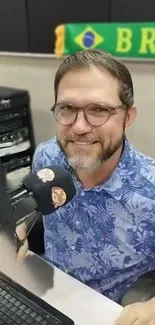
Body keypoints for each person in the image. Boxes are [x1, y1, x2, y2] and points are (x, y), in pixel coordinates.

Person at [16, 49, 155, 325]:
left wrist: (152, 306)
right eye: (67, 109)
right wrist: (17, 228)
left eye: (99, 110)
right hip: (46, 292)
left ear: (128, 117)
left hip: (109, 314)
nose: (79, 127)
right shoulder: (47, 157)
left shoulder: (150, 189)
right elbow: (34, 209)